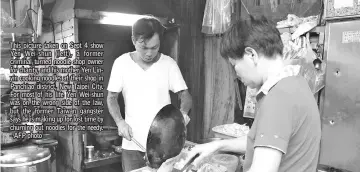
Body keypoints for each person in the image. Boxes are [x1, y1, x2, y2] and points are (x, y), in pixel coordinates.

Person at [183, 16, 321, 172]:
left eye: (234, 65)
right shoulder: (296, 84)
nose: (235, 74)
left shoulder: (278, 99)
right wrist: (218, 145)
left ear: (251, 55)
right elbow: (264, 141)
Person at [107, 16, 193, 172]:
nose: (149, 53)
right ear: (133, 40)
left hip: (164, 146)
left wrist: (183, 113)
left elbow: (185, 95)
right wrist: (120, 122)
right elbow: (111, 98)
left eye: (154, 47)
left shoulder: (168, 64)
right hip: (132, 144)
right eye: (144, 47)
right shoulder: (121, 64)